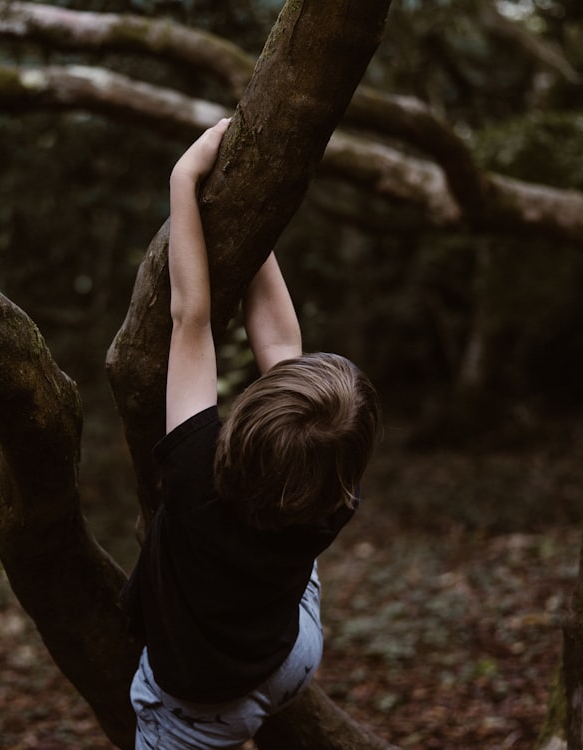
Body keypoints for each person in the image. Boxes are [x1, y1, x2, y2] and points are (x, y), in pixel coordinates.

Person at [120, 118, 381, 749]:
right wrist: (244, 221)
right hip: (290, 652)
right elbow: (273, 340)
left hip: (201, 703)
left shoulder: (194, 478)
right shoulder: (332, 495)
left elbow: (191, 320)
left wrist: (186, 179)